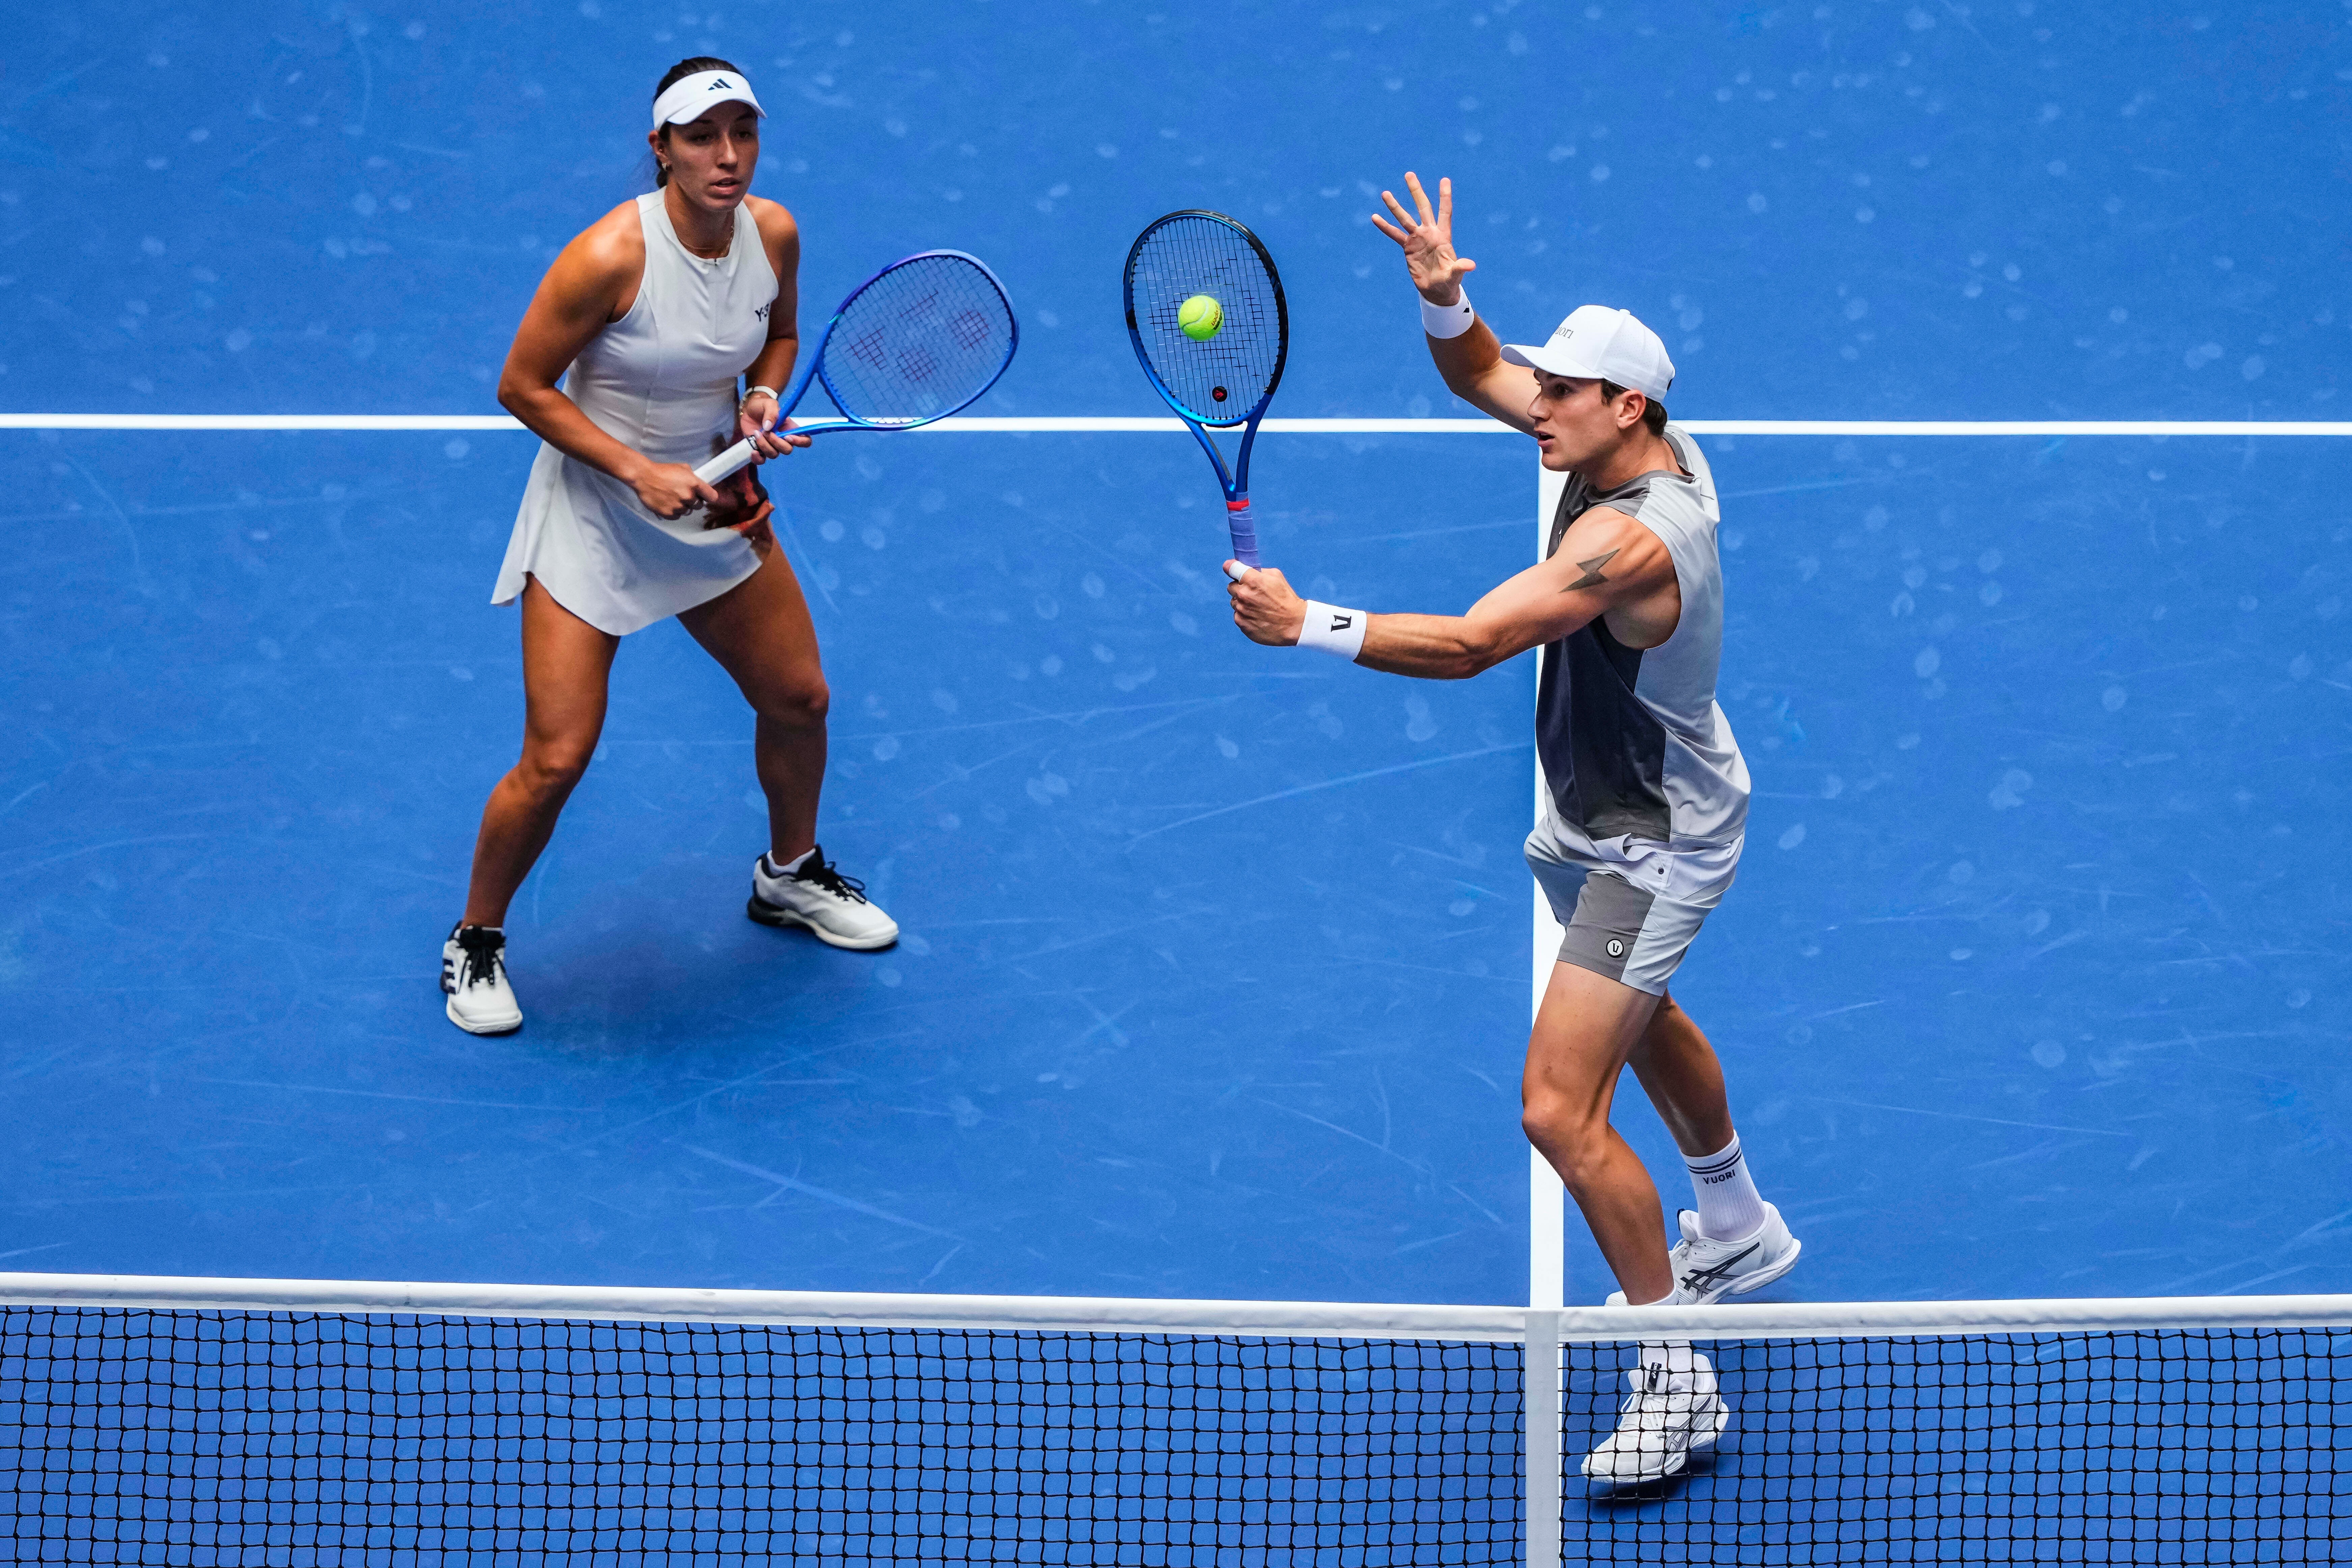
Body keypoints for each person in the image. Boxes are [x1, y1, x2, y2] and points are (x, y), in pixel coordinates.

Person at [1224, 172, 1801, 1485]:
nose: (1536, 403)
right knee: (1642, 1014)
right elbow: (1479, 371)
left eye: (1563, 391)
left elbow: (1476, 643)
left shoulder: (1631, 544)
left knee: (1556, 1106)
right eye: (1544, 387)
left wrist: (1310, 624)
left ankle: (1676, 1373)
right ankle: (1736, 1222)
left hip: (1650, 841)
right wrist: (1445, 298)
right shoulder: (1611, 441)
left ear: (1625, 407)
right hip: (1602, 809)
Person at [442, 58, 897, 1037]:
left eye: (743, 133)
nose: (727, 156)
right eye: (701, 138)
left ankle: (788, 875)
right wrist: (635, 469)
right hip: (595, 517)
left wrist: (761, 399)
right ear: (661, 150)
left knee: (800, 699)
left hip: (711, 504)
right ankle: (475, 938)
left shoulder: (773, 232)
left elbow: (779, 335)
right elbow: (523, 386)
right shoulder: (608, 255)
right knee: (557, 757)